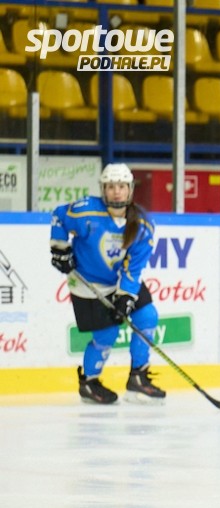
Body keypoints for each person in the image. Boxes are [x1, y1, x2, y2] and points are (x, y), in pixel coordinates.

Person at [49, 162, 166, 405]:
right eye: (111, 186)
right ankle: (89, 383)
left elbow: (134, 268)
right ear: (103, 189)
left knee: (147, 316)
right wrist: (60, 248)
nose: (116, 192)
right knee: (107, 334)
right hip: (88, 284)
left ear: (130, 189)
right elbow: (59, 216)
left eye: (121, 186)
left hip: (119, 281)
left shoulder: (142, 224)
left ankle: (138, 378)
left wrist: (126, 296)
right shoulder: (86, 211)